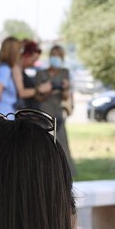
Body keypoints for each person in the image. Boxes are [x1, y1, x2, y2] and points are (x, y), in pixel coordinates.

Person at [35, 44, 75, 172]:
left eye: (59, 56)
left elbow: (65, 96)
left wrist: (65, 87)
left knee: (62, 144)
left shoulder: (65, 72)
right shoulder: (41, 73)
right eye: (54, 56)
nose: (56, 59)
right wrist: (49, 89)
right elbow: (38, 97)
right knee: (44, 145)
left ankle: (64, 172)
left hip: (58, 113)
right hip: (44, 112)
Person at [0, 37, 49, 115]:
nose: (20, 54)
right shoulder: (5, 70)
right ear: (14, 52)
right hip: (3, 116)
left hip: (2, 116)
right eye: (19, 50)